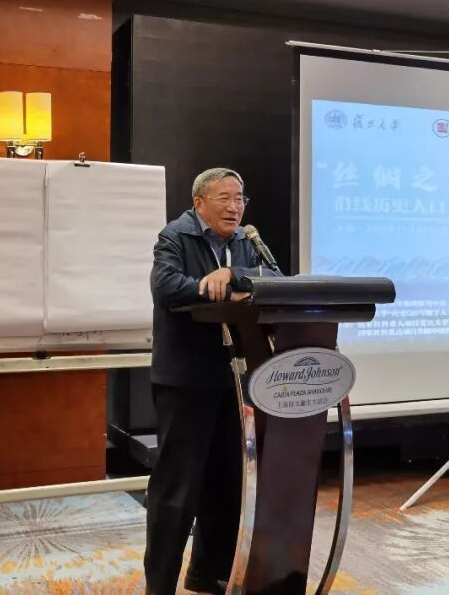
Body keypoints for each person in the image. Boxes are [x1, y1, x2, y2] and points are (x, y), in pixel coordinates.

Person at [144, 167, 277, 595]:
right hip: (185, 380)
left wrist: (234, 277)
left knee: (226, 483)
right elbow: (167, 287)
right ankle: (159, 586)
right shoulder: (175, 236)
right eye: (225, 198)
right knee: (177, 489)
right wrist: (212, 287)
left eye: (240, 198)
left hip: (234, 380)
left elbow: (274, 279)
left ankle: (207, 574)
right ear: (199, 202)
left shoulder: (246, 241)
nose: (234, 207)